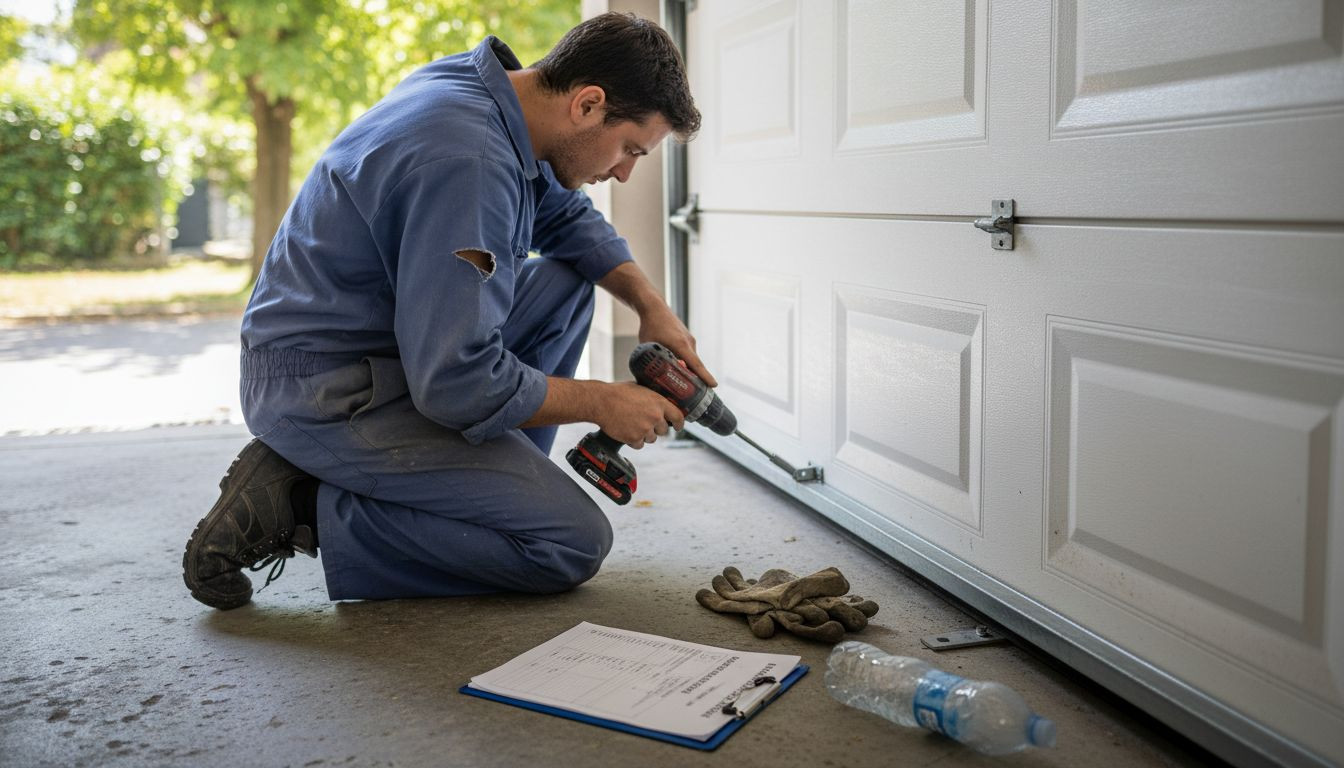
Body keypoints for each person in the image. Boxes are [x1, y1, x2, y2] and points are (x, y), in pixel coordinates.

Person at [182, 12, 712, 610]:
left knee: (566, 284)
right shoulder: (470, 161)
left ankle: (479, 484)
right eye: (630, 149)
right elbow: (458, 379)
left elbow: (564, 216)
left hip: (387, 350)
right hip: (323, 390)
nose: (622, 172)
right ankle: (301, 501)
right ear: (588, 105)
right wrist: (602, 400)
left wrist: (652, 307)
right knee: (567, 543)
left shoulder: (490, 91)